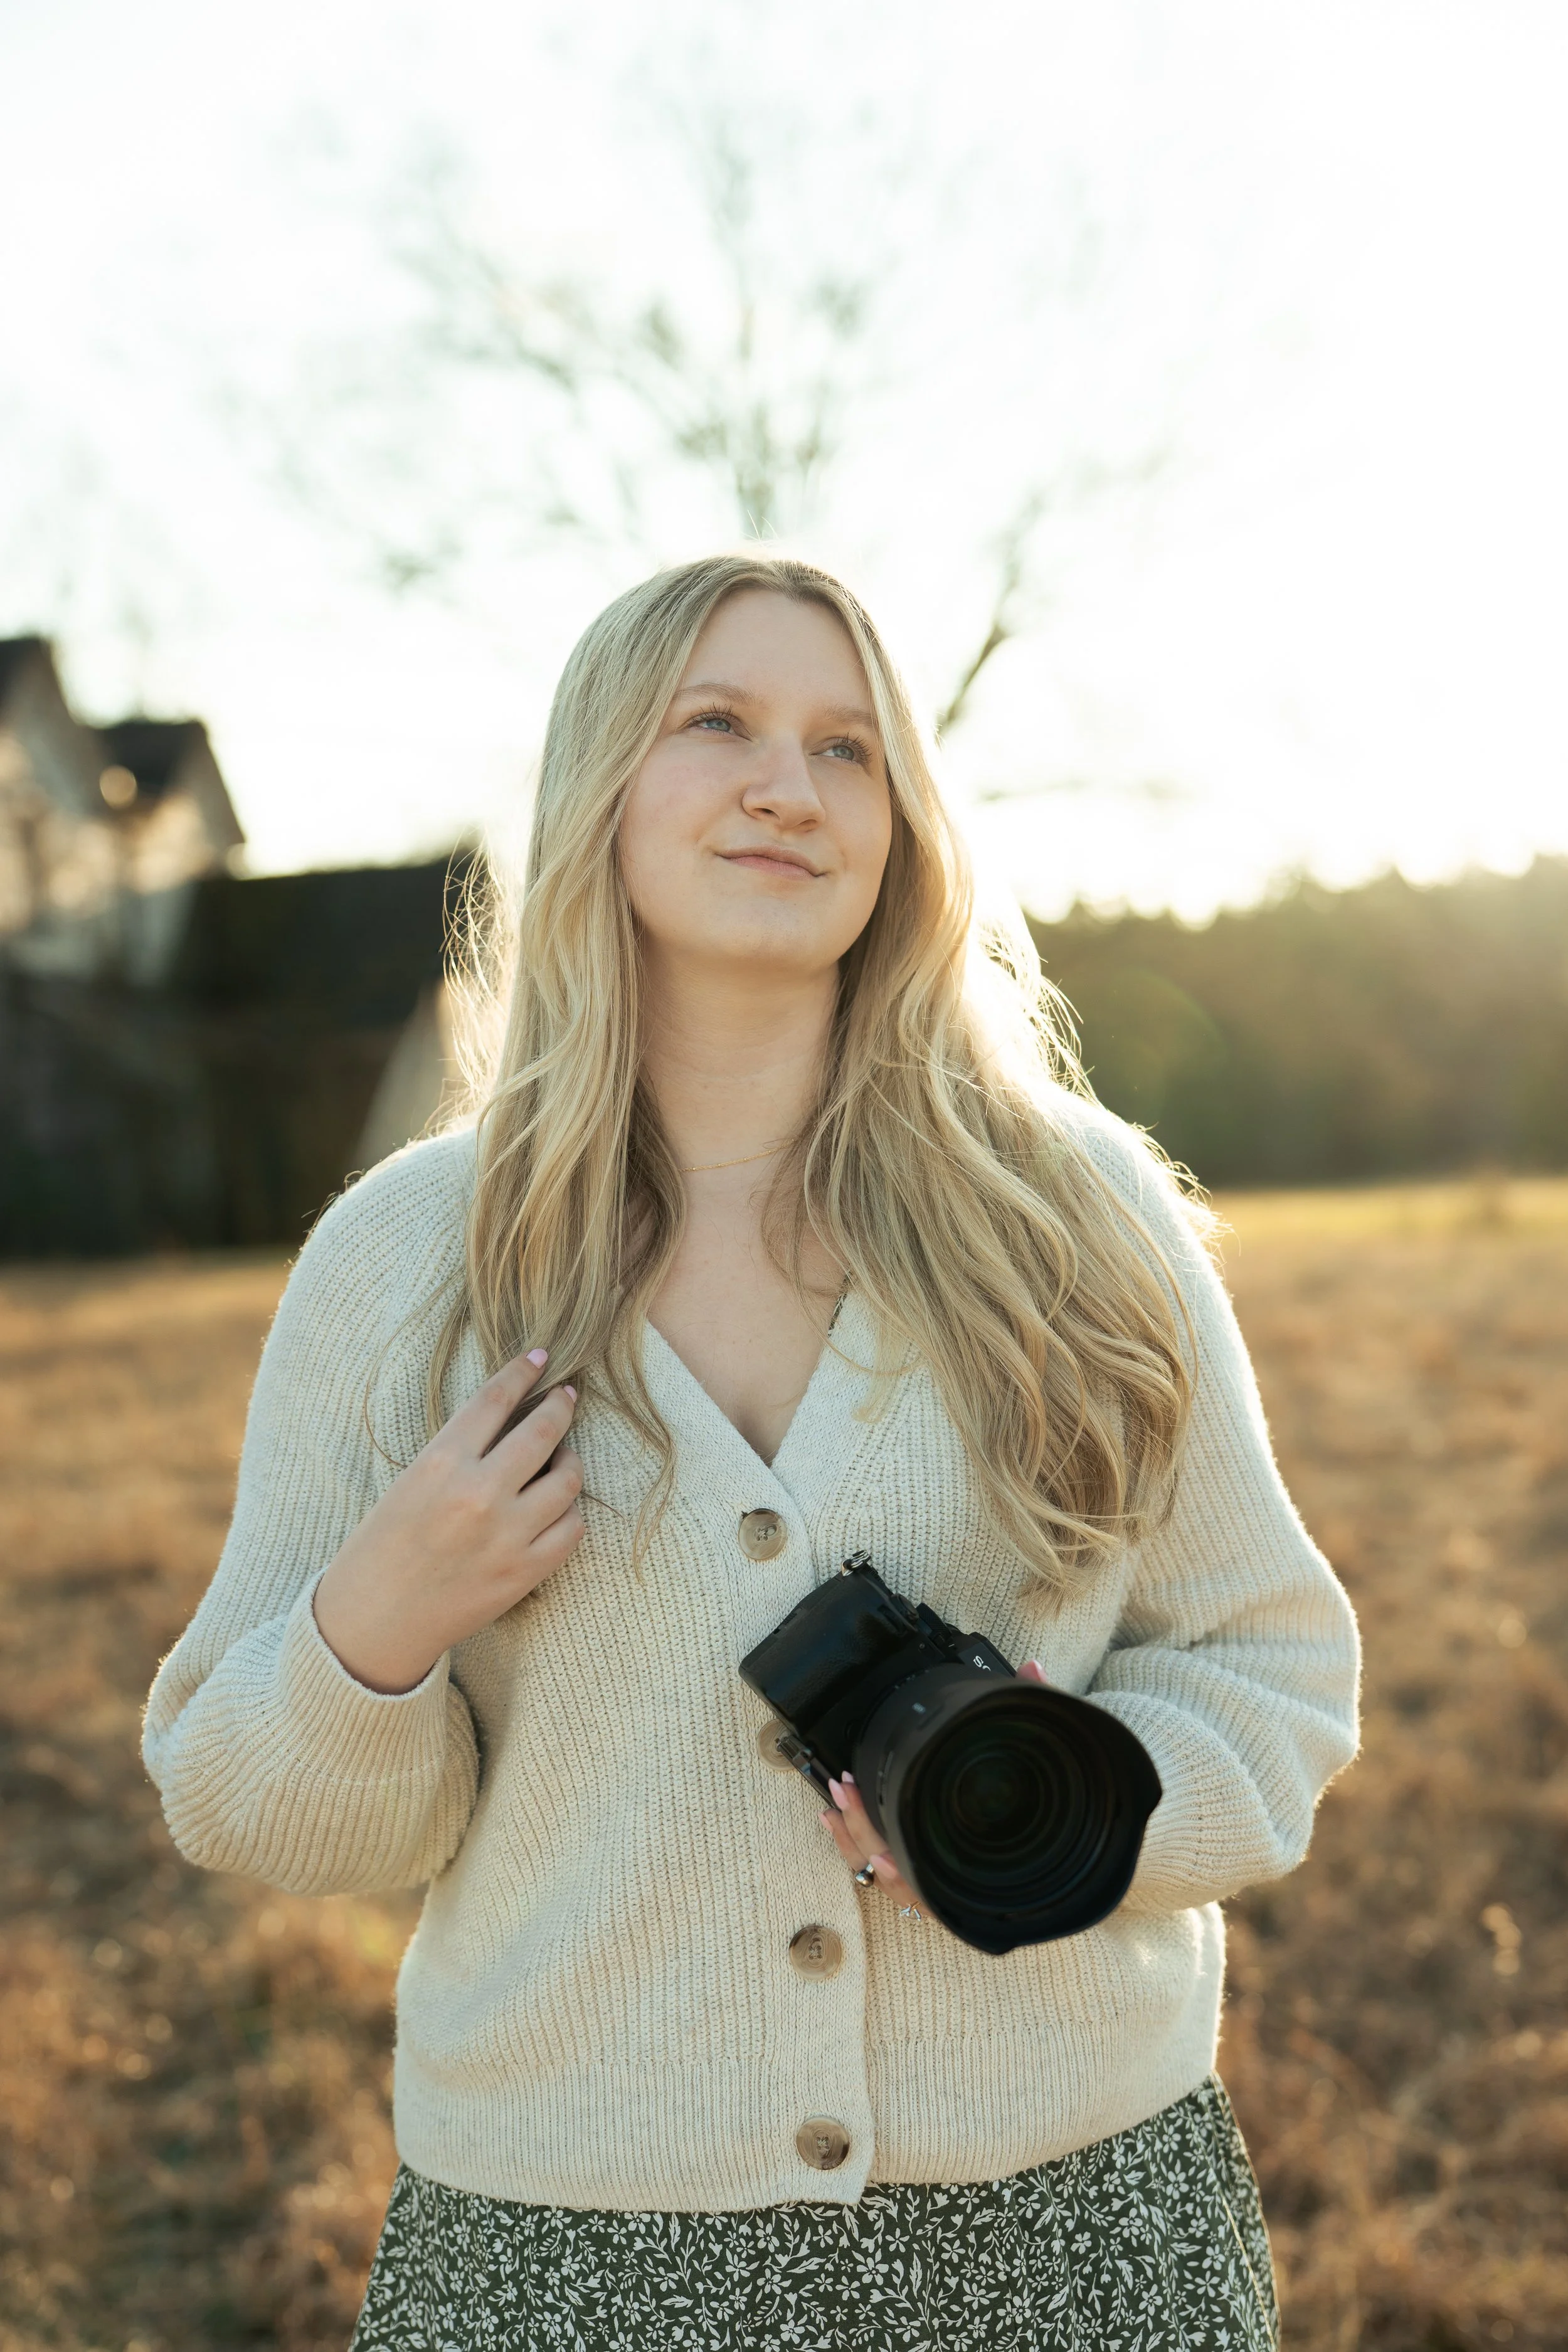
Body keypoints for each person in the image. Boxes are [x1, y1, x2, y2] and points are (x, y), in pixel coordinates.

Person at [142, 552, 1360, 2351]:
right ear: (599, 790)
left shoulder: (1080, 1213)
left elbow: (1272, 1668)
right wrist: (373, 1622)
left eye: (849, 748)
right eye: (716, 724)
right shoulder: (407, 1262)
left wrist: (1072, 1811)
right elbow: (243, 1798)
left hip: (1072, 2231)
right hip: (568, 2260)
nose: (788, 785)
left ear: (904, 827)